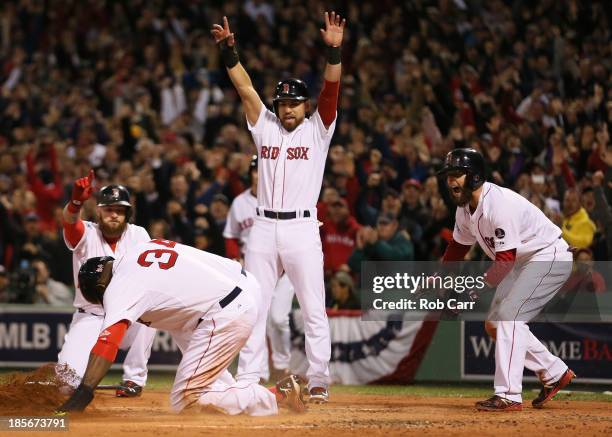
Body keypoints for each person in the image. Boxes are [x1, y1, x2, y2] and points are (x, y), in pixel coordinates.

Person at [211, 11, 346, 403]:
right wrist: (229, 50)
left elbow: (331, 90)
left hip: (303, 228)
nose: (288, 109)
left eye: (294, 103)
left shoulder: (319, 129)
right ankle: (250, 376)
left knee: (313, 308)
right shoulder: (264, 124)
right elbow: (245, 89)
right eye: (283, 102)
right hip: (264, 227)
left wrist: (334, 52)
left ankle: (319, 377)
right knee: (253, 305)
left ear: (305, 106)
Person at [55, 241, 306, 415]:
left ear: (99, 288)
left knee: (184, 399)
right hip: (238, 287)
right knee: (177, 325)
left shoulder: (118, 287)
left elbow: (108, 343)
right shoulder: (139, 250)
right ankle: (225, 389)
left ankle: (276, 395)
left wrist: (85, 390)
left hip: (225, 310)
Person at [439, 148, 575, 412]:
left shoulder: (497, 204)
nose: (451, 181)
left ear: (475, 176)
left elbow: (504, 263)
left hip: (547, 255)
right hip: (522, 261)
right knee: (494, 325)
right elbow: (456, 250)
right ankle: (554, 371)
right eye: (448, 175)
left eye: (457, 174)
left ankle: (509, 395)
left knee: (510, 317)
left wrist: (468, 294)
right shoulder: (465, 211)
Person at [59, 171, 156, 397]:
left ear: (127, 214)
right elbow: (70, 223)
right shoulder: (87, 233)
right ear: (99, 211)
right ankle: (79, 377)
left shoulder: (139, 235)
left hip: (128, 316)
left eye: (119, 211)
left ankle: (134, 379)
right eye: (109, 209)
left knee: (151, 312)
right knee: (65, 383)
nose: (114, 215)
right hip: (91, 316)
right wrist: (75, 204)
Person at [223, 156, 296, 382]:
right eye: (256, 171)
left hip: (283, 272)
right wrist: (235, 256)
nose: (259, 175)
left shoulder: (284, 198)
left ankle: (282, 364)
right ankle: (260, 371)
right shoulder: (239, 202)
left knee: (278, 319)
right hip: (253, 273)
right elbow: (230, 235)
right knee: (255, 320)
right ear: (251, 174)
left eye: (263, 171)